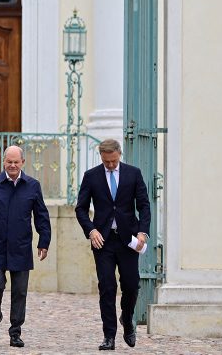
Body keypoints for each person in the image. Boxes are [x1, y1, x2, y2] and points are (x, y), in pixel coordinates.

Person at [75, 138, 151, 350]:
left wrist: (143, 232)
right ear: (101, 157)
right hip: (103, 241)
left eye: (113, 161)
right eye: (106, 161)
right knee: (107, 287)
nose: (109, 165)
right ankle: (109, 336)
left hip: (128, 240)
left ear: (119, 154)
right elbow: (80, 208)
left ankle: (127, 320)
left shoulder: (133, 173)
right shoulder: (91, 176)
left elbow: (144, 205)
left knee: (131, 285)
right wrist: (91, 230)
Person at [0, 145, 51, 348]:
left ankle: (15, 331)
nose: (13, 165)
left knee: (20, 291)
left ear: (23, 163)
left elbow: (42, 216)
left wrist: (44, 241)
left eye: (16, 162)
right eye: (9, 162)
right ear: (4, 162)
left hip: (21, 246)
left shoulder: (33, 186)